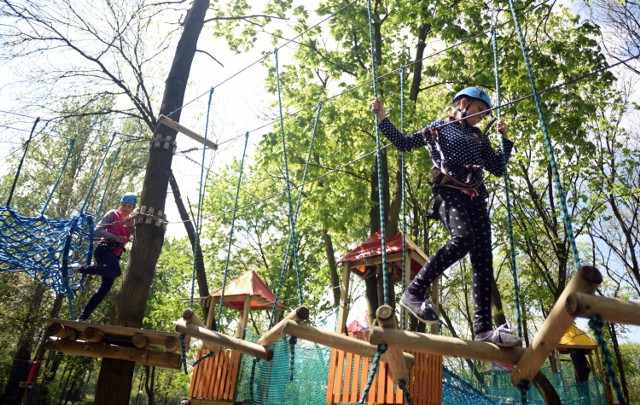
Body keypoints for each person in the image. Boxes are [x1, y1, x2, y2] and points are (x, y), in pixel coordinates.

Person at [370, 87, 521, 347]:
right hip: (448, 192)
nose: (481, 118)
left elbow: (497, 168)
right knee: (462, 239)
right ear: (463, 103)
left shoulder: (478, 137)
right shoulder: (438, 129)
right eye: (478, 111)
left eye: (485, 115)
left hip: (476, 197)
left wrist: (504, 141)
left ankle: (483, 329)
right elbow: (405, 143)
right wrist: (382, 118)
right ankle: (414, 293)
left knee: (484, 258)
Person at [72, 192, 137, 322]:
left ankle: (82, 318)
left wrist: (132, 229)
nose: (125, 208)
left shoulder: (131, 222)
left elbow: (138, 239)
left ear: (133, 208)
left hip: (115, 255)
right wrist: (116, 237)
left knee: (103, 290)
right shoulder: (113, 214)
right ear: (120, 204)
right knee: (116, 271)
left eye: (129, 206)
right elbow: (97, 230)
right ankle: (80, 268)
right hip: (104, 249)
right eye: (124, 205)